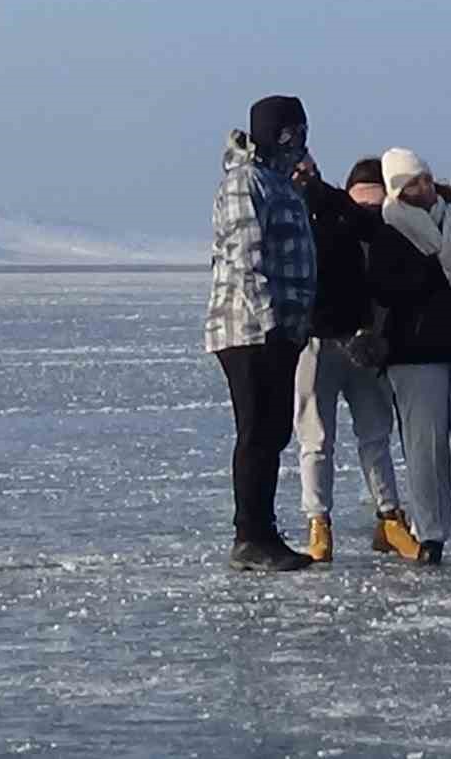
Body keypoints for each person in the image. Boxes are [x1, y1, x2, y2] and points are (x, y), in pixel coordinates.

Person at [204, 96, 318, 572]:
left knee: (272, 432)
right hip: (249, 331)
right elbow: (246, 261)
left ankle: (263, 529)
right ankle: (249, 535)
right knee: (256, 430)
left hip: (281, 332)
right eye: (295, 134)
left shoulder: (281, 183)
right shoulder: (245, 184)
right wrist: (271, 325)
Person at [290, 156, 419, 562]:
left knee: (376, 434)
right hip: (315, 342)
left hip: (366, 344)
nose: (366, 212)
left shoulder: (388, 232)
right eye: (358, 203)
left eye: (374, 205)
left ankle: (389, 519)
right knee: (316, 438)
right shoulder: (318, 218)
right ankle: (318, 523)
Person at [365, 149, 451, 566]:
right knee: (425, 446)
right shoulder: (390, 231)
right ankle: (431, 532)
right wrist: (432, 270)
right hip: (414, 354)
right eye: (412, 182)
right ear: (397, 190)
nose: (423, 187)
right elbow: (385, 289)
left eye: (425, 178)